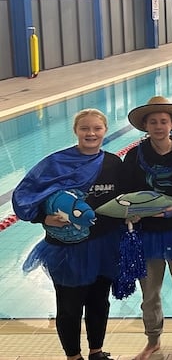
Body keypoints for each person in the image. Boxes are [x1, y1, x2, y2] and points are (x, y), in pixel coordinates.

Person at [12, 109, 124, 360]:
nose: (91, 133)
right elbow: (26, 194)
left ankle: (96, 352)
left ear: (105, 130)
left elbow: (125, 199)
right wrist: (42, 217)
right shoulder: (56, 163)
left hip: (104, 244)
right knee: (69, 307)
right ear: (75, 131)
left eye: (97, 128)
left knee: (98, 302)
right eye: (85, 128)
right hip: (67, 248)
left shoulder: (114, 163)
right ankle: (73, 356)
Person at [123, 96, 172, 360]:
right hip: (148, 234)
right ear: (145, 126)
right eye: (153, 121)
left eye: (163, 121)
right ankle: (153, 340)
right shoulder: (134, 156)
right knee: (150, 294)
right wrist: (131, 214)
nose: (158, 126)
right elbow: (126, 193)